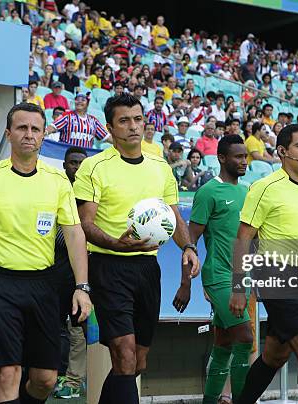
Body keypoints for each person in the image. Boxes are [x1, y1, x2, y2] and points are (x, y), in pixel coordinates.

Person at [0, 103, 92, 404]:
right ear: (8, 133)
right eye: (22, 128)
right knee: (8, 372)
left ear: (42, 135)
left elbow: (75, 233)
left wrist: (82, 287)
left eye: (35, 129)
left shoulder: (57, 180)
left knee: (44, 379)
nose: (29, 134)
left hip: (43, 285)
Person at [74, 94, 199, 402]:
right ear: (110, 127)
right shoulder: (94, 167)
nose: (133, 127)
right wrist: (116, 243)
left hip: (147, 268)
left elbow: (174, 217)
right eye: (124, 121)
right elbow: (84, 224)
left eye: (138, 119)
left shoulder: (160, 166)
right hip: (108, 266)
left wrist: (189, 247)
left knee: (135, 363)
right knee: (125, 355)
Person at [230, 124, 298, 403]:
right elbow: (243, 239)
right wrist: (239, 287)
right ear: (282, 151)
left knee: (276, 353)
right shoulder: (264, 187)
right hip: (273, 273)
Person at [174, 136, 253, 403]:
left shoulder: (248, 192)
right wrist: (186, 284)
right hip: (219, 277)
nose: (244, 162)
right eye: (238, 157)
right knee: (245, 338)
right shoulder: (208, 192)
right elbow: (190, 242)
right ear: (221, 158)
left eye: (245, 157)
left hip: (243, 277)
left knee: (224, 343)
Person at [53, 146, 89, 400]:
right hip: (53, 269)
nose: (76, 167)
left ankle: (74, 380)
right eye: (72, 163)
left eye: (80, 163)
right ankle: (52, 375)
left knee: (78, 327)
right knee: (52, 325)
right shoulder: (53, 189)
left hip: (84, 271)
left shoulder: (93, 195)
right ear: (64, 165)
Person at [46, 93, 111, 148]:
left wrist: (120, 143)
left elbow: (106, 137)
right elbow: (52, 127)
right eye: (77, 100)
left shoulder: (94, 121)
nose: (79, 101)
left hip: (85, 158)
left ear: (87, 104)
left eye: (83, 100)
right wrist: (42, 134)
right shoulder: (67, 116)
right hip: (65, 156)